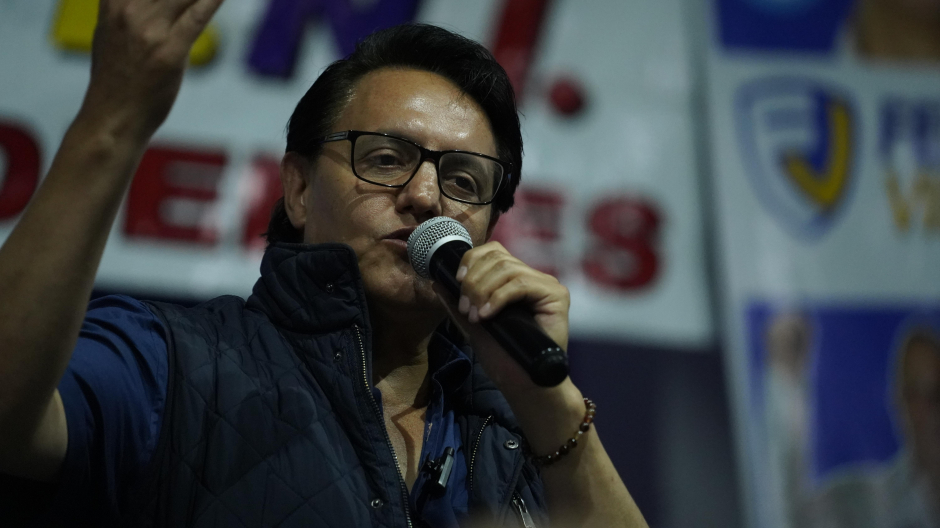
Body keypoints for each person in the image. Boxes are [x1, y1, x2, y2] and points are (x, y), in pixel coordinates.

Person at [0, 1, 647, 527]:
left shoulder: (519, 434)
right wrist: (112, 121)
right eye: (386, 158)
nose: (426, 197)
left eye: (463, 180)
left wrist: (546, 403)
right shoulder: (173, 363)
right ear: (300, 189)